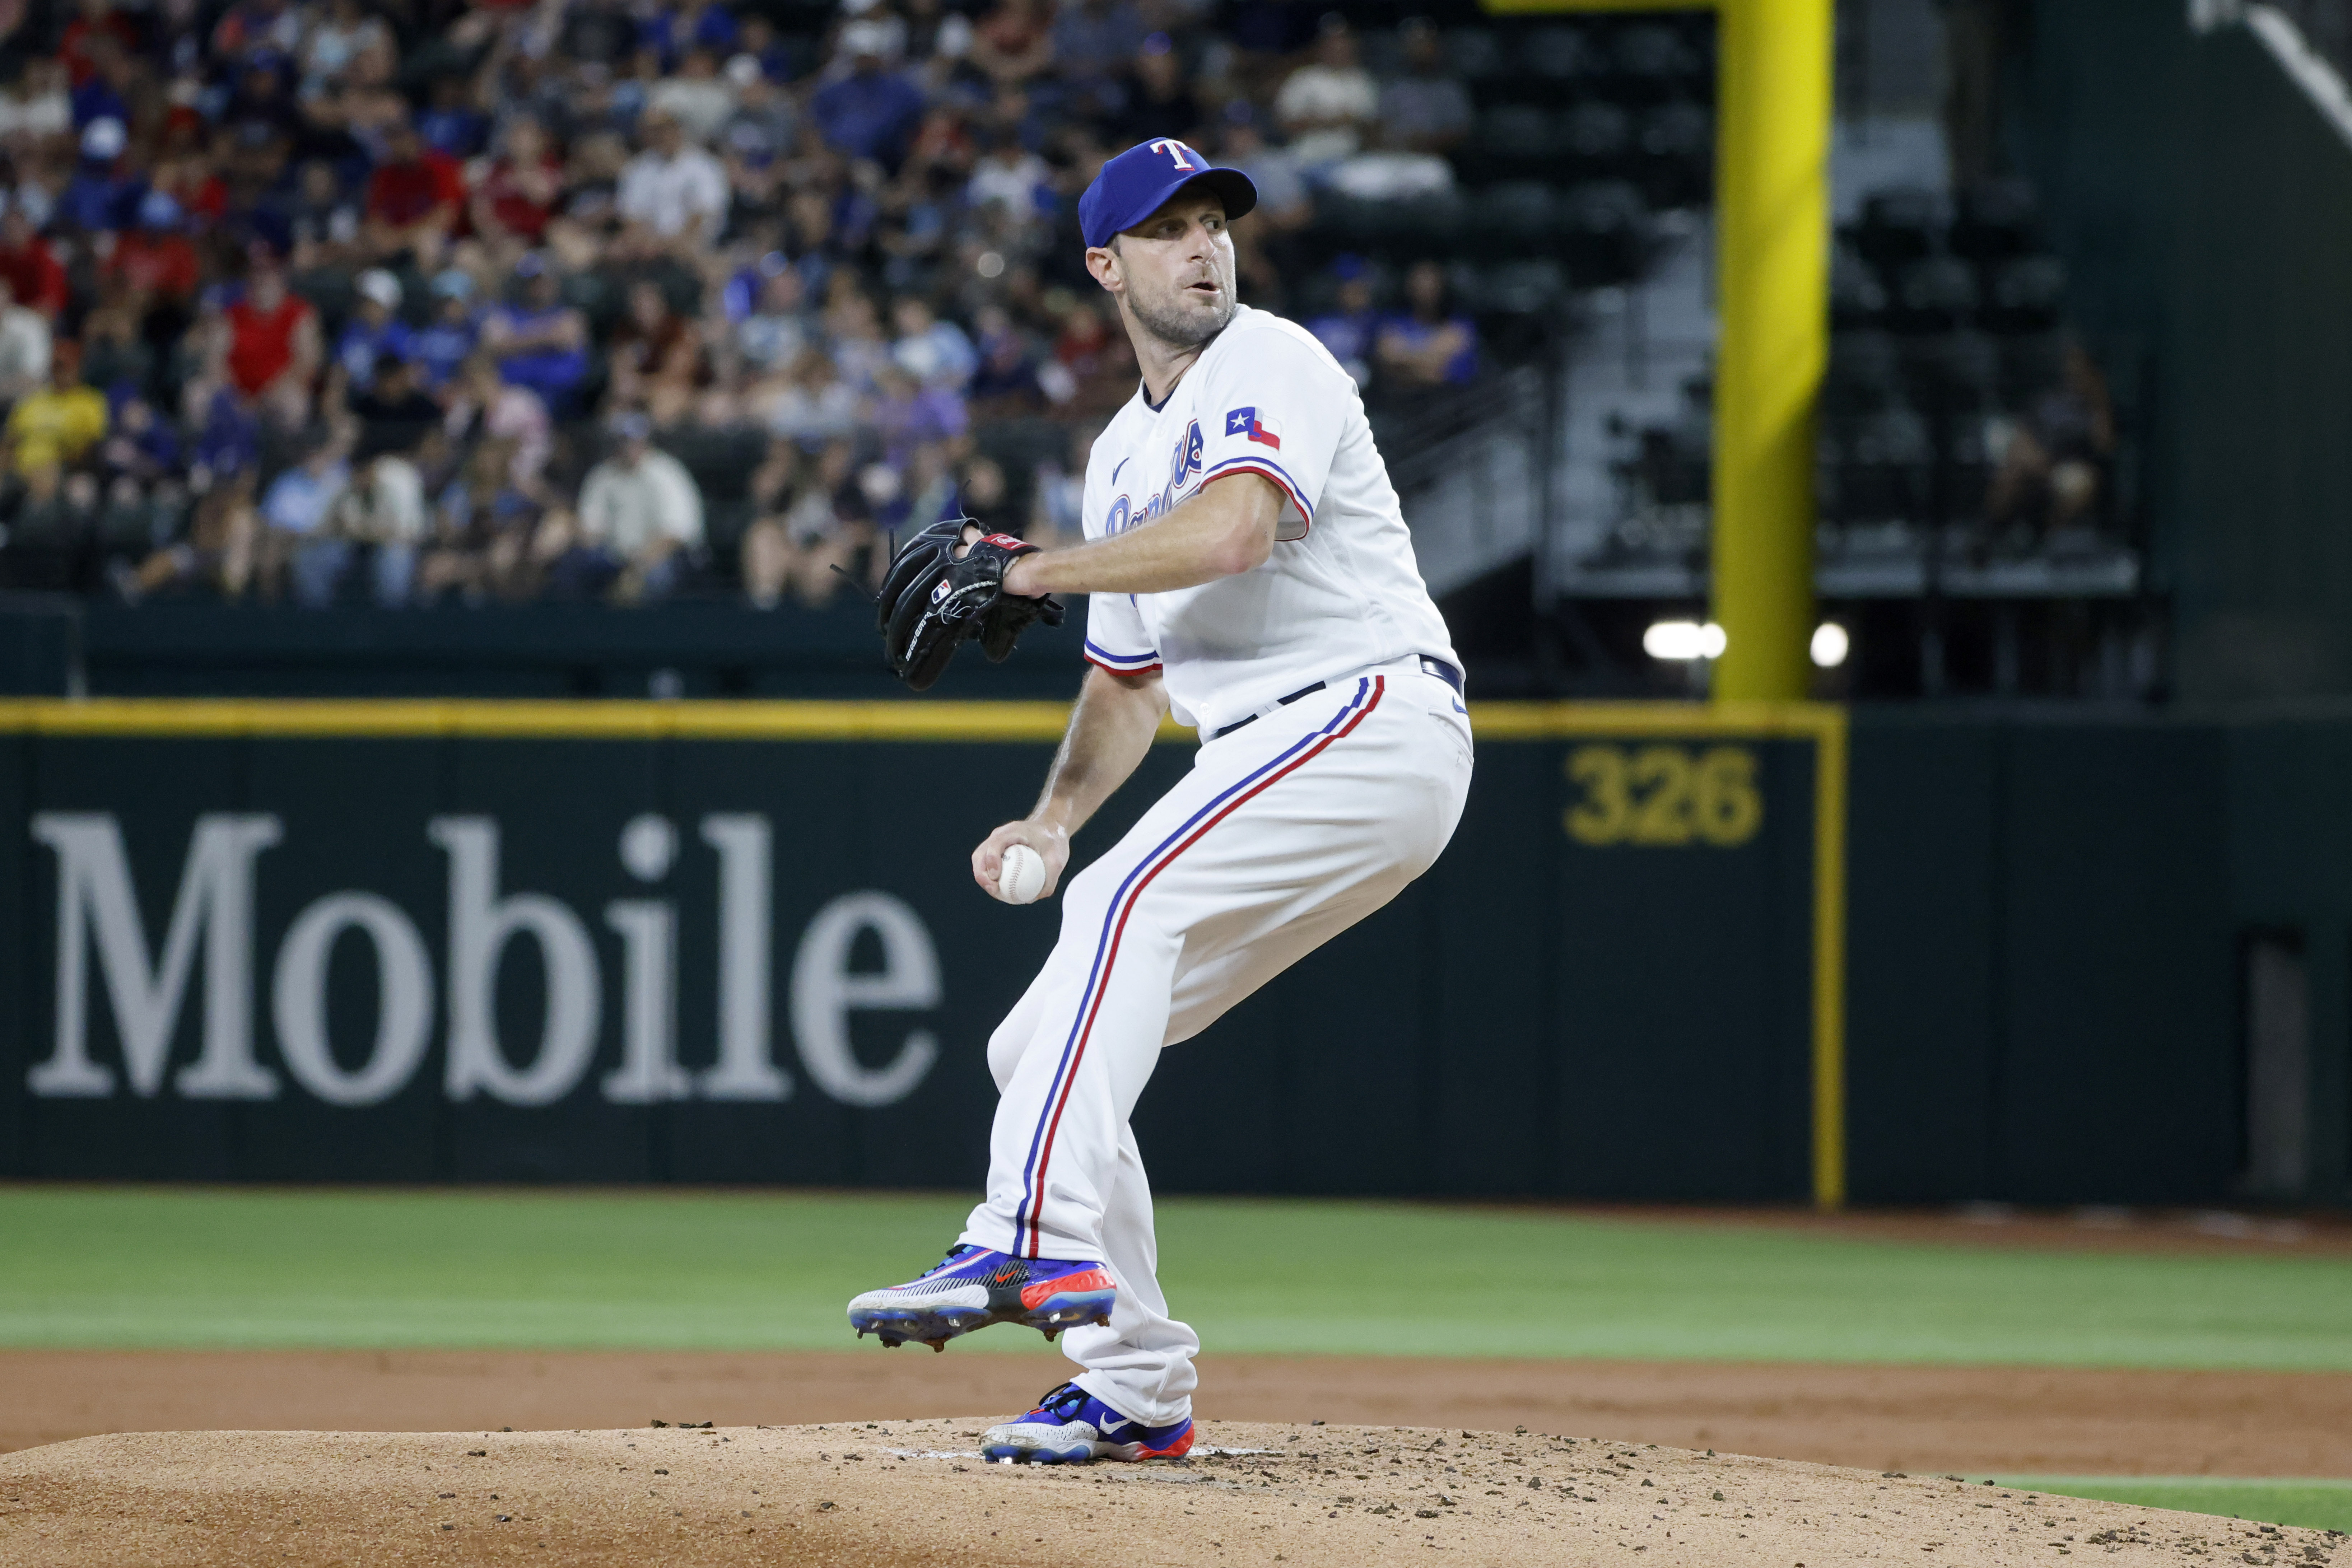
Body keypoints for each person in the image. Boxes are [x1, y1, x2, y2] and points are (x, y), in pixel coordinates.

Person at [846, 139, 1471, 1465]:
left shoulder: (1272, 360)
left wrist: (1026, 576)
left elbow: (1239, 529)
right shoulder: (1116, 459)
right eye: (1169, 228)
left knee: (1122, 910)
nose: (1204, 247)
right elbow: (1127, 686)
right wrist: (1054, 818)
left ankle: (1022, 1241)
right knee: (1043, 1051)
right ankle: (1132, 1383)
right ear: (1103, 264)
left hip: (1367, 710)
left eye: (1214, 222)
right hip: (1259, 752)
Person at [558, 411, 704, 599]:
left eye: (636, 440)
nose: (630, 447)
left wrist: (636, 569)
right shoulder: (603, 475)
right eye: (625, 440)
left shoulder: (667, 473)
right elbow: (591, 529)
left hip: (659, 557)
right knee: (575, 566)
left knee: (658, 577)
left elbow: (676, 534)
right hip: (615, 556)